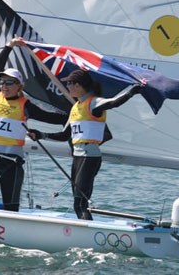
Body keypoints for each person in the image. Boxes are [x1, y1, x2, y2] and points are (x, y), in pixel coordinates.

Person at [29, 69, 141, 220]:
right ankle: (85, 229)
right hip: (78, 157)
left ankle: (88, 234)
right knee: (78, 202)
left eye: (70, 83)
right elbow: (64, 135)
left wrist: (131, 92)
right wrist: (40, 135)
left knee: (81, 202)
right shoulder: (75, 107)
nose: (67, 86)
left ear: (79, 85)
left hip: (90, 157)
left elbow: (113, 102)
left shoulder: (93, 102)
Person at [0, 37, 67, 211]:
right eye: (3, 82)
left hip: (11, 164)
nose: (4, 85)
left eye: (9, 82)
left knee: (11, 207)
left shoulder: (26, 105)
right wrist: (9, 47)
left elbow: (53, 118)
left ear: (19, 86)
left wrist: (75, 112)